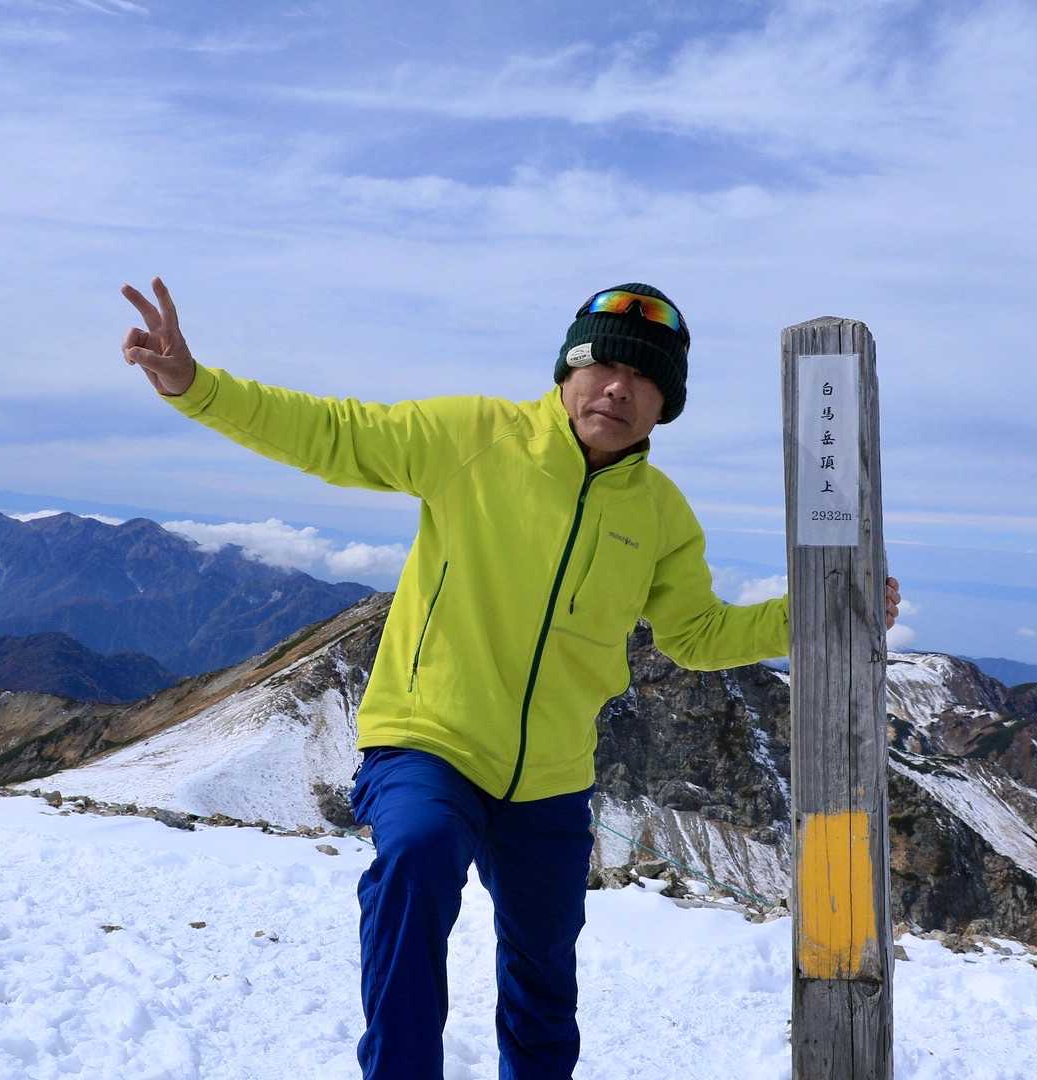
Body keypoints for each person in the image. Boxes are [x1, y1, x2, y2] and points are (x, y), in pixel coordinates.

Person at [120, 276, 902, 1079]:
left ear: (665, 404)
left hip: (552, 778)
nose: (618, 388)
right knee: (417, 857)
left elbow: (697, 635)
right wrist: (194, 385)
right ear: (568, 370)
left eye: (644, 377)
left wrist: (817, 611)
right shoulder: (473, 437)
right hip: (430, 739)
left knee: (543, 974)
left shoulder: (662, 516)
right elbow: (330, 433)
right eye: (604, 365)